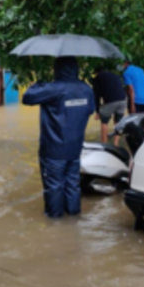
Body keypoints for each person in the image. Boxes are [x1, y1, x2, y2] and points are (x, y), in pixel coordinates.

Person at [23, 57, 95, 219]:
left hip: (53, 149)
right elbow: (90, 110)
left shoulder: (53, 88)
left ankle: (55, 222)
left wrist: (39, 84)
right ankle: (73, 218)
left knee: (54, 186)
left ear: (57, 69)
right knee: (72, 185)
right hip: (75, 147)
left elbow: (27, 97)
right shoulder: (86, 89)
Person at [92, 68, 127, 146]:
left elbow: (96, 96)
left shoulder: (98, 78)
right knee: (118, 122)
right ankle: (116, 144)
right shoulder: (115, 75)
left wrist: (97, 111)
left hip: (110, 101)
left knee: (104, 122)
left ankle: (104, 145)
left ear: (97, 72)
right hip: (123, 100)